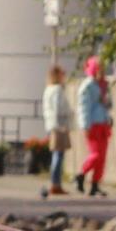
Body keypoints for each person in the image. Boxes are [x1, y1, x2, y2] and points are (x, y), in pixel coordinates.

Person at [76, 56, 114, 197]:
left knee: (102, 157)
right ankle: (81, 174)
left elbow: (109, 105)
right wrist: (85, 125)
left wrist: (107, 98)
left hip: (103, 123)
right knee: (96, 155)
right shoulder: (88, 86)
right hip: (93, 124)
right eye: (99, 69)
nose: (102, 72)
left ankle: (95, 185)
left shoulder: (104, 85)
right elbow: (83, 107)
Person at [38, 66, 74, 198]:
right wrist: (64, 122)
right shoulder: (58, 89)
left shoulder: (48, 89)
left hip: (51, 124)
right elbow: (59, 108)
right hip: (59, 125)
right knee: (58, 155)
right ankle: (55, 184)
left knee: (56, 154)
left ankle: (55, 183)